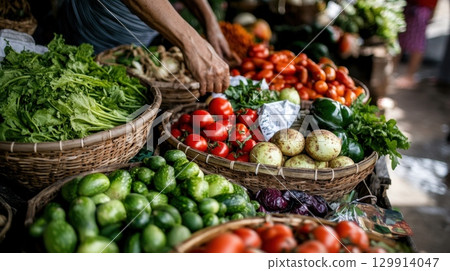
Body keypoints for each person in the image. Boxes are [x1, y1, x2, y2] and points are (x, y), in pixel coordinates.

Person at [58, 0, 231, 95]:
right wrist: (193, 43)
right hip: (98, 28)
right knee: (95, 87)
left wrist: (210, 22)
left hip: (145, 30)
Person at [395, 0, 438, 89]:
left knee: (416, 43)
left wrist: (432, 10)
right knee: (399, 39)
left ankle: (410, 77)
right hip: (409, 5)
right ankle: (392, 71)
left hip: (421, 7)